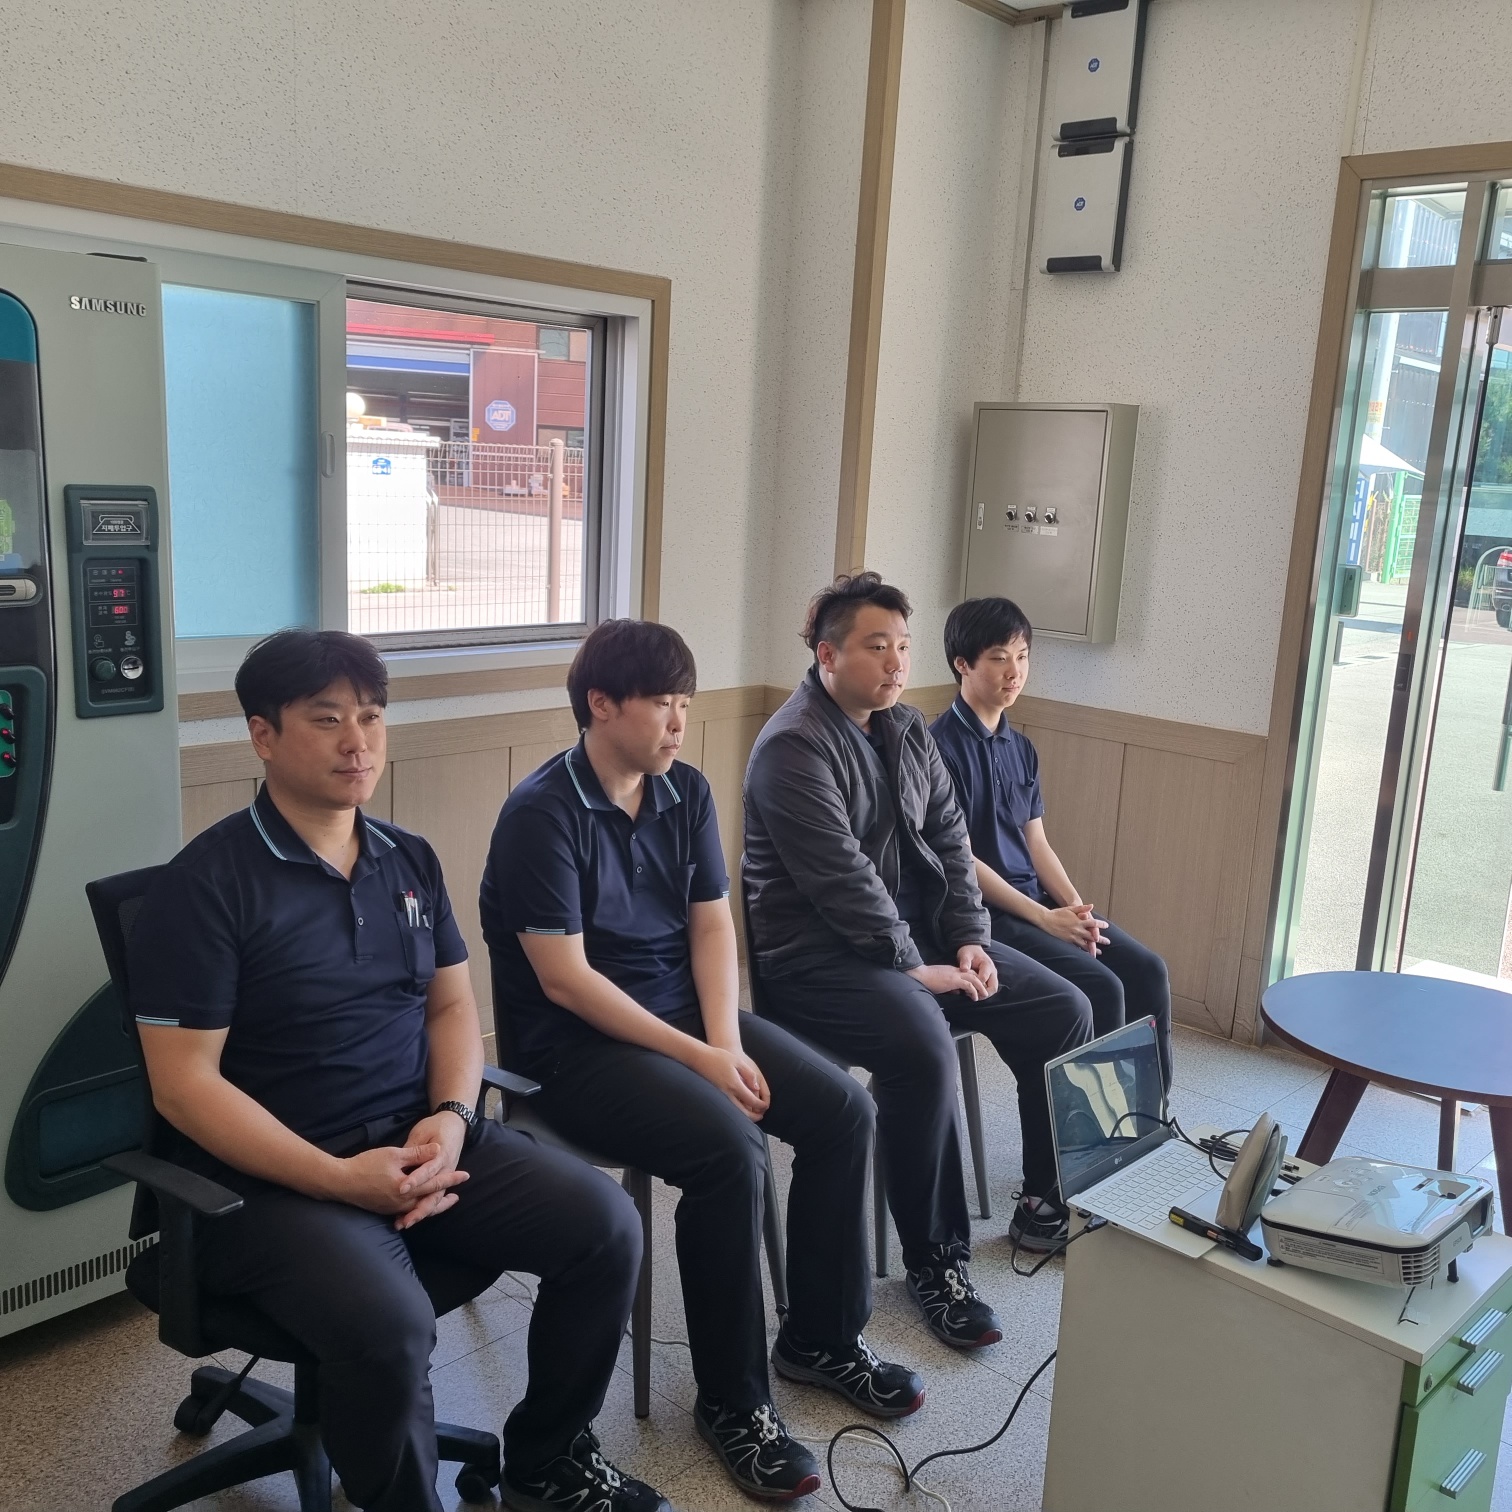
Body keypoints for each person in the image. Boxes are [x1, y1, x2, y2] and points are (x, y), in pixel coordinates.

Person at [128, 629, 665, 1512]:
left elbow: (452, 1009)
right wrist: (339, 1178)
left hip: (417, 1138)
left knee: (605, 1227)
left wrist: (451, 1117)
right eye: (327, 720)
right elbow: (183, 1085)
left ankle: (547, 1463)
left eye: (372, 717)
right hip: (269, 1182)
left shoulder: (405, 857)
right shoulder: (208, 885)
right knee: (390, 1324)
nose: (359, 743)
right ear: (263, 736)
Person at [479, 619, 924, 1504]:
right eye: (661, 703)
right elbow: (566, 981)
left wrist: (722, 1041)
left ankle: (821, 1337)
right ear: (601, 705)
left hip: (685, 1021)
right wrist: (703, 1059)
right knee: (729, 1150)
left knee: (844, 1111)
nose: (680, 721)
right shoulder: (541, 814)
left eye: (685, 702)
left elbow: (712, 926)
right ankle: (733, 1402)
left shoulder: (682, 790)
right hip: (574, 1051)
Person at [743, 572, 1096, 1314]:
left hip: (921, 942)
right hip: (819, 963)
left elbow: (952, 840)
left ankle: (1044, 1202)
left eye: (903, 646)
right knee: (923, 1041)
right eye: (877, 647)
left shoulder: (905, 727)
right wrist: (913, 968)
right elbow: (844, 882)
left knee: (1063, 1008)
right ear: (827, 654)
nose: (897, 663)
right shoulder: (792, 746)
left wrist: (968, 939)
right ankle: (937, 1261)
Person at [929, 597, 1174, 1088]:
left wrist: (1076, 911)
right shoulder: (938, 749)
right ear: (963, 664)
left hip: (1037, 903)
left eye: (1022, 656)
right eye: (999, 658)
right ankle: (1094, 1123)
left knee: (1147, 970)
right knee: (1102, 987)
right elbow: (961, 860)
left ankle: (1147, 1114)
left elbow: (1036, 842)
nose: (1014, 672)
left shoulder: (1021, 747)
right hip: (985, 914)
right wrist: (1044, 919)